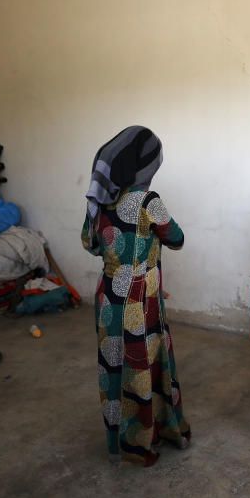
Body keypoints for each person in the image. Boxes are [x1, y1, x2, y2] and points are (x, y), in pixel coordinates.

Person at [82, 125, 190, 466]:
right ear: (146, 167)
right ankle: (145, 442)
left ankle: (122, 441)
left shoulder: (99, 200)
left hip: (109, 300)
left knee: (115, 369)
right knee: (144, 368)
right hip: (139, 303)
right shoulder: (148, 201)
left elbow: (91, 243)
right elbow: (176, 238)